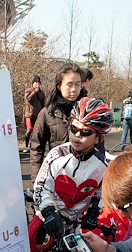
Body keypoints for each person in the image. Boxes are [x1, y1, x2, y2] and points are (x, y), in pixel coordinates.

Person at [31, 97, 113, 242]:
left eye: (85, 132)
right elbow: (41, 187)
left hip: (71, 222)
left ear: (98, 138)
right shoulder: (56, 155)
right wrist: (49, 212)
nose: (77, 135)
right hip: (46, 215)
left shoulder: (101, 165)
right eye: (74, 128)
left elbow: (101, 192)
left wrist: (93, 213)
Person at [28, 63, 87, 184]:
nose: (74, 89)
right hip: (57, 177)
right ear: (59, 86)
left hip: (85, 177)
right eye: (69, 84)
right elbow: (36, 148)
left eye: (78, 84)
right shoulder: (47, 113)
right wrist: (37, 181)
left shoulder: (89, 111)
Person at [23, 75, 45, 152]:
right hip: (29, 114)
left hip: (37, 114)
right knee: (29, 130)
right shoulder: (28, 90)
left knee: (36, 131)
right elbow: (28, 99)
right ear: (32, 84)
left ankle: (33, 146)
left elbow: (43, 103)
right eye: (35, 83)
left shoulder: (41, 93)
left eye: (38, 83)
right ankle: (26, 146)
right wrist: (34, 92)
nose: (37, 85)